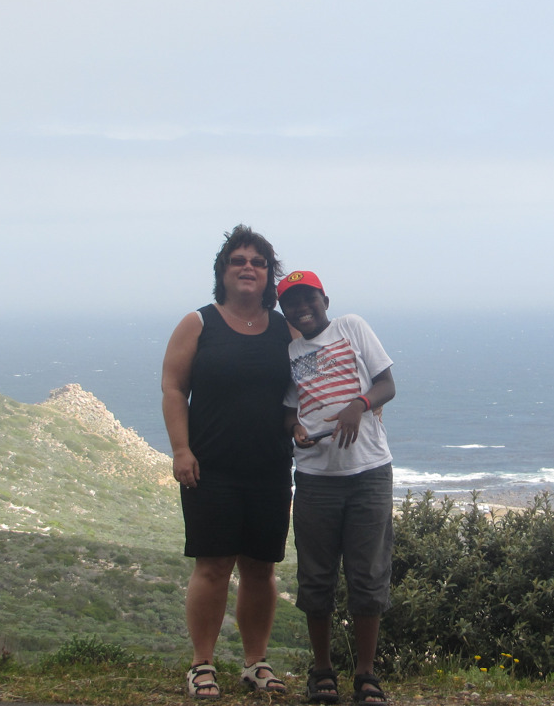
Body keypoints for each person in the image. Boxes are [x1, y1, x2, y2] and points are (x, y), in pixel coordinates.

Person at [160, 226, 294, 699]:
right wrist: (181, 449)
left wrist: (364, 400)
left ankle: (256, 663)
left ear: (269, 275)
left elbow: (319, 373)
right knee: (213, 567)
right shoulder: (198, 324)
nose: (247, 268)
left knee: (261, 569)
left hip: (270, 468)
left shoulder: (285, 329)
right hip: (210, 469)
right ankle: (202, 665)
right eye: (238, 260)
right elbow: (173, 388)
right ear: (222, 271)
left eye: (258, 262)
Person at [276, 270, 396, 706]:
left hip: (369, 473)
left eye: (309, 298)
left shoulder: (352, 327)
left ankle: (365, 673)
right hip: (315, 478)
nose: (302, 308)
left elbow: (387, 384)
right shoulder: (290, 353)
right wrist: (295, 430)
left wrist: (357, 406)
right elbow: (290, 411)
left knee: (368, 575)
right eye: (292, 303)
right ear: (285, 311)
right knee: (316, 577)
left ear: (324, 299)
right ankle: (322, 670)